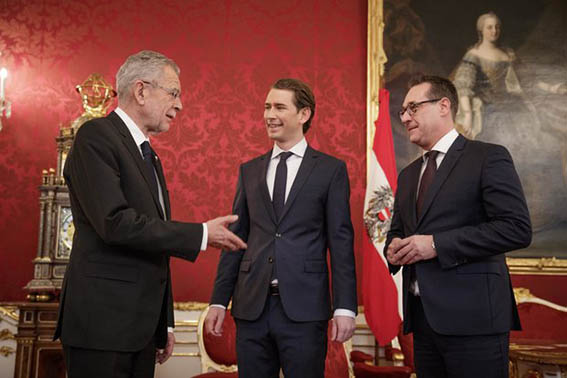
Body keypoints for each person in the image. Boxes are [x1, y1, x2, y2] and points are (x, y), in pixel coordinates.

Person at [54, 50, 246, 378]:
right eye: (173, 93)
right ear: (141, 91)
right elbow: (115, 224)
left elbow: (153, 242)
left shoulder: (149, 156)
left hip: (140, 330)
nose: (180, 105)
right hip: (102, 327)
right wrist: (201, 234)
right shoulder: (95, 137)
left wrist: (164, 322)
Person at [204, 78, 357, 378]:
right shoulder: (250, 170)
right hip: (251, 309)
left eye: (279, 107)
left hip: (305, 310)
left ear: (304, 114)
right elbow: (235, 239)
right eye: (266, 107)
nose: (269, 114)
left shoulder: (330, 170)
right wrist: (219, 300)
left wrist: (345, 308)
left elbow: (341, 243)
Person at [385, 74, 531, 378]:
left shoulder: (487, 157)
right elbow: (398, 230)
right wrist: (394, 249)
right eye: (403, 111)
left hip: (475, 321)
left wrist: (436, 244)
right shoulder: (409, 174)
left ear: (443, 105)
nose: (405, 118)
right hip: (423, 320)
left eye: (413, 108)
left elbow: (516, 228)